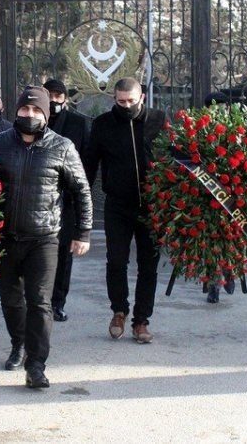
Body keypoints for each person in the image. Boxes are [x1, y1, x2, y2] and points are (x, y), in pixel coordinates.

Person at [0, 85, 93, 389]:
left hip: (44, 238)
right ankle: (18, 343)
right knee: (11, 300)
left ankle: (36, 364)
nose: (29, 114)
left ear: (45, 115)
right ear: (16, 110)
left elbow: (81, 191)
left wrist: (82, 231)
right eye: (25, 109)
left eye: (36, 110)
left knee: (40, 303)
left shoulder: (63, 147)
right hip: (4, 238)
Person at [83, 77, 167, 344]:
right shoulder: (102, 124)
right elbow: (89, 164)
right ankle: (118, 311)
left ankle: (141, 321)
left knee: (148, 266)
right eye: (121, 102)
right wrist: (80, 196)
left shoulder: (159, 120)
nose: (127, 105)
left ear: (141, 96)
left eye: (131, 101)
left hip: (152, 205)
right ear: (114, 100)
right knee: (116, 261)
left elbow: (175, 158)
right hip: (118, 204)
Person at [42, 78, 91, 322]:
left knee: (63, 254)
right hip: (40, 199)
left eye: (58, 96)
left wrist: (81, 192)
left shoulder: (78, 123)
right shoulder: (35, 120)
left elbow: (87, 162)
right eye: (49, 95)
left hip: (68, 199)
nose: (53, 100)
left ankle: (58, 302)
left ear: (65, 98)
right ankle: (40, 301)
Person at [202, 91, 237, 304]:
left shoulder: (236, 128)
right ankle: (213, 285)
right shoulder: (199, 129)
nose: (218, 111)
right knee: (209, 240)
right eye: (214, 107)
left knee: (228, 237)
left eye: (223, 107)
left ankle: (229, 271)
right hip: (206, 194)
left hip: (231, 194)